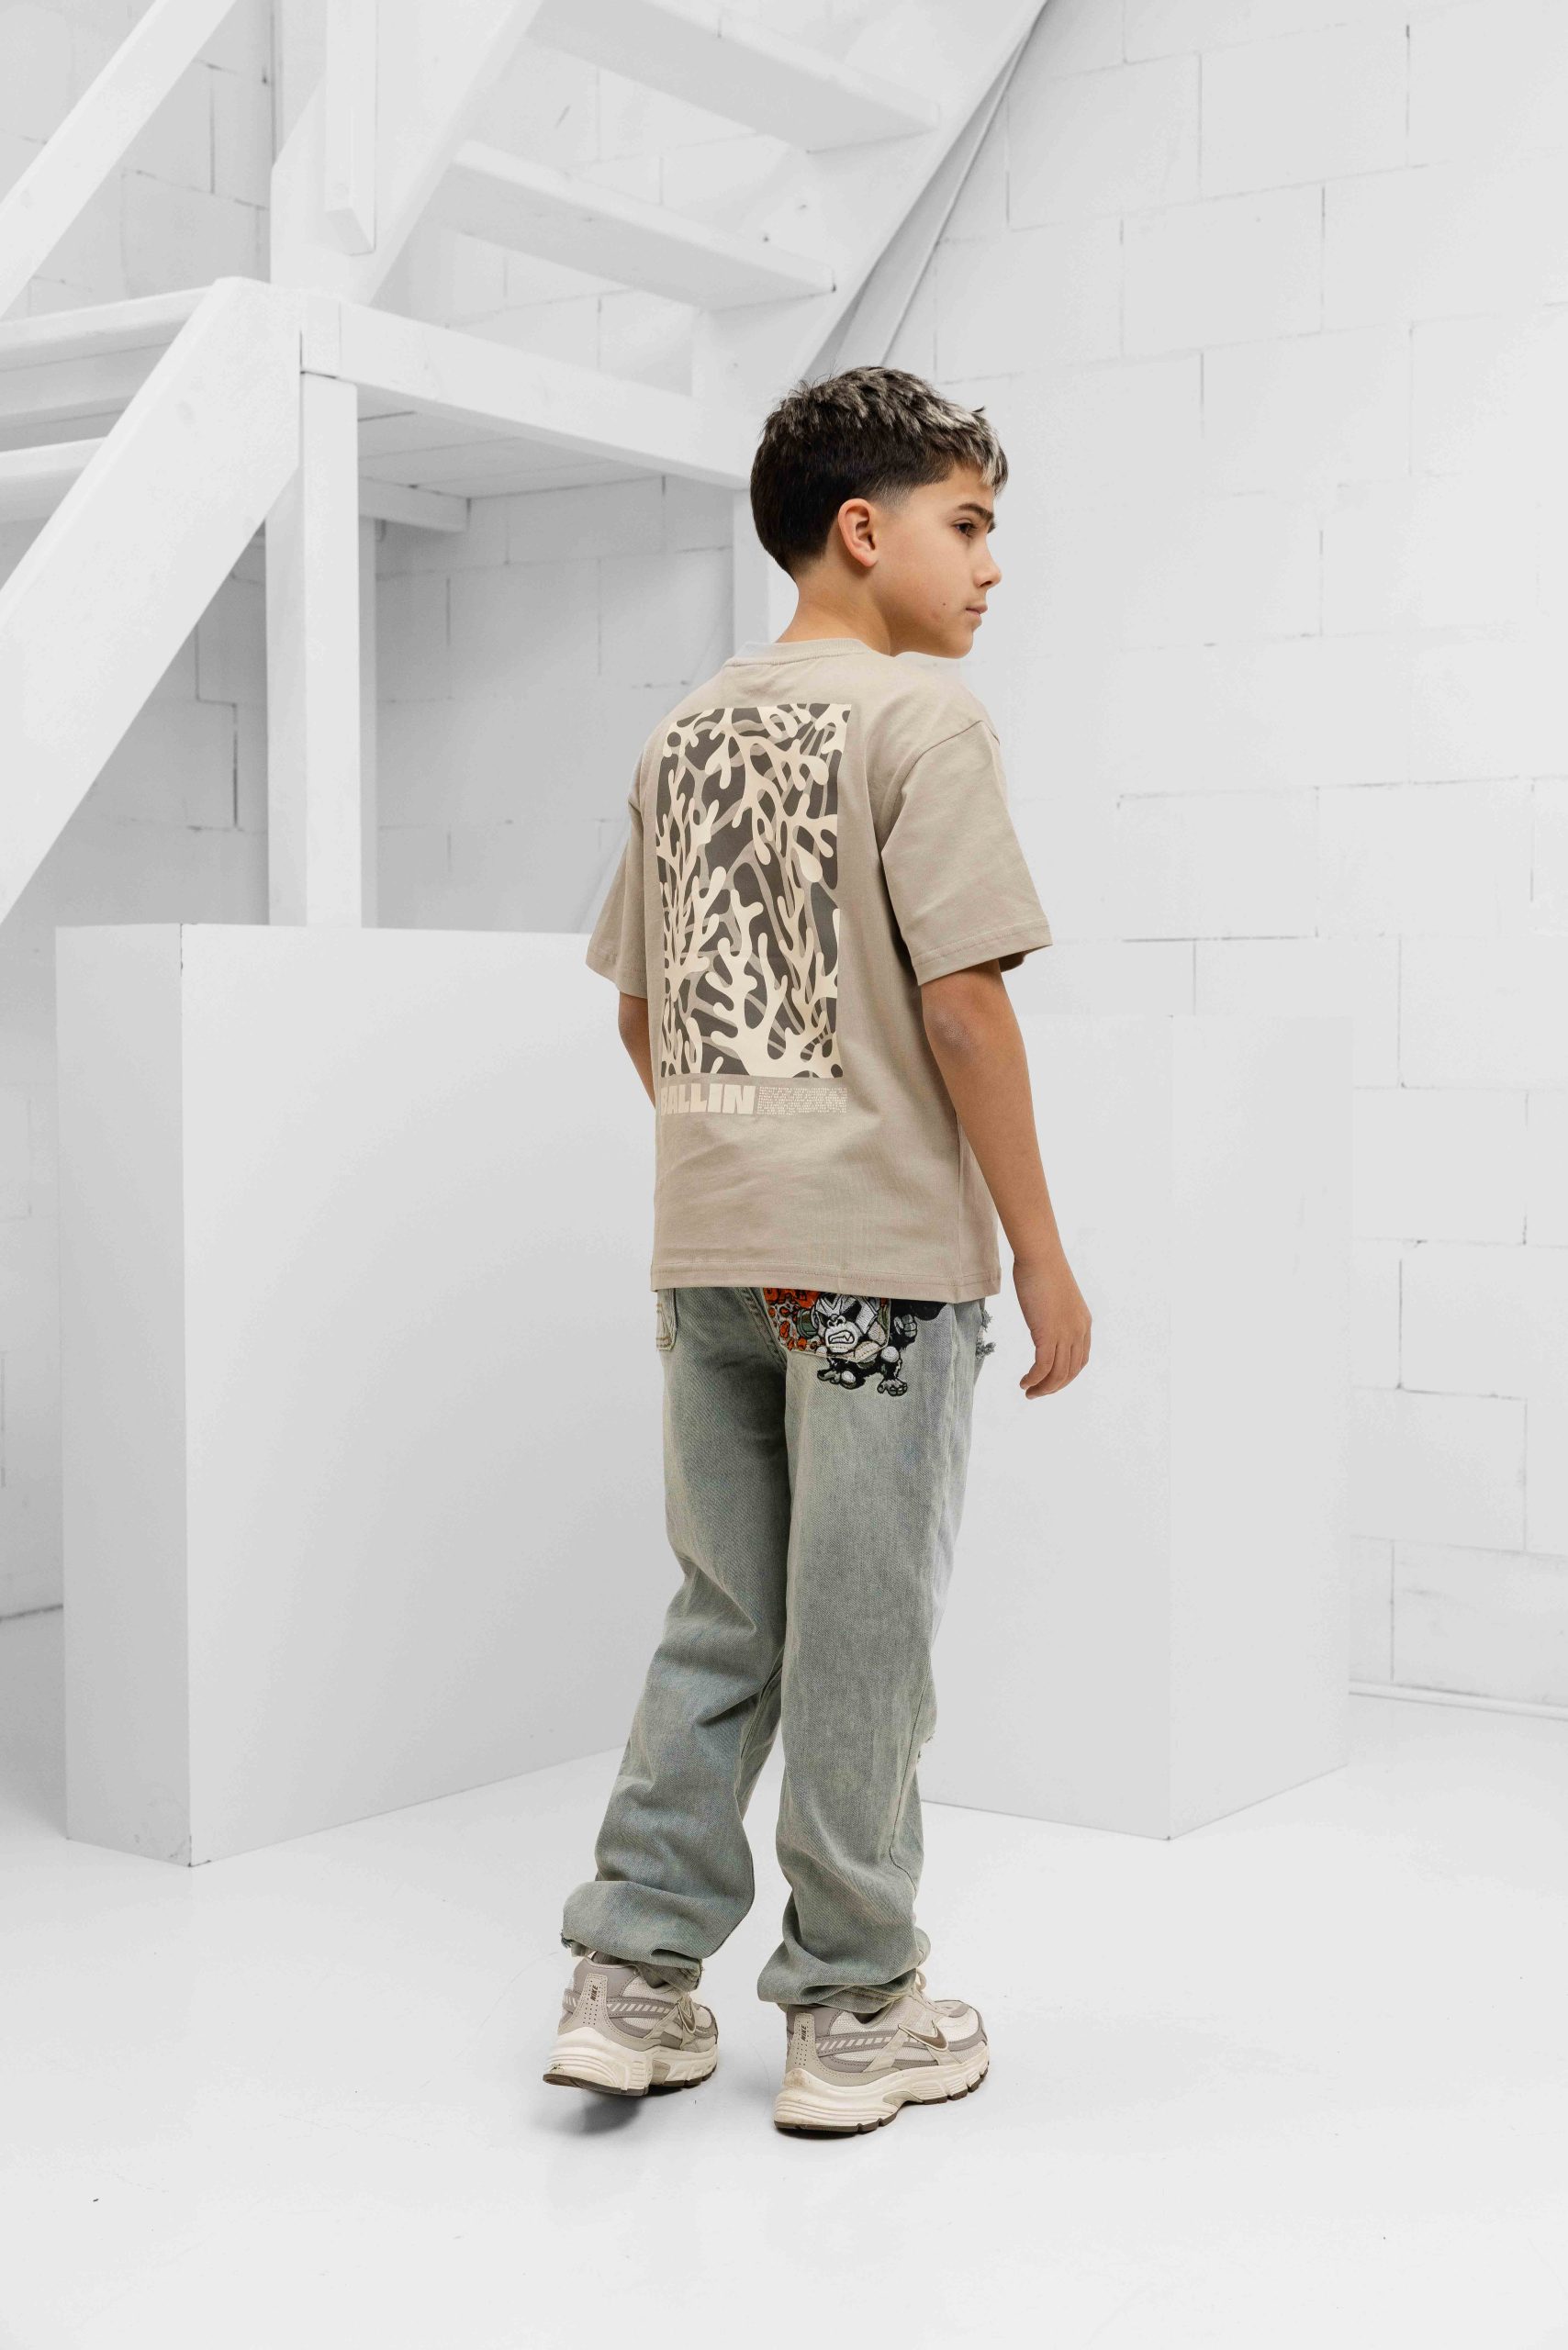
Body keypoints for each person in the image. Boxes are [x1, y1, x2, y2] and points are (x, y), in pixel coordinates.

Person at [544, 364, 1092, 2138]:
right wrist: (1040, 1251)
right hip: (879, 1272)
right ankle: (856, 2012)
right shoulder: (923, 723)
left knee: (726, 1618)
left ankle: (631, 1979)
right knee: (861, 1633)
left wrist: (746, 1174)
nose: (993, 566)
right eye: (968, 523)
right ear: (863, 530)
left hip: (708, 1256)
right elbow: (967, 1011)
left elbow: (641, 1016)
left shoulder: (685, 735)